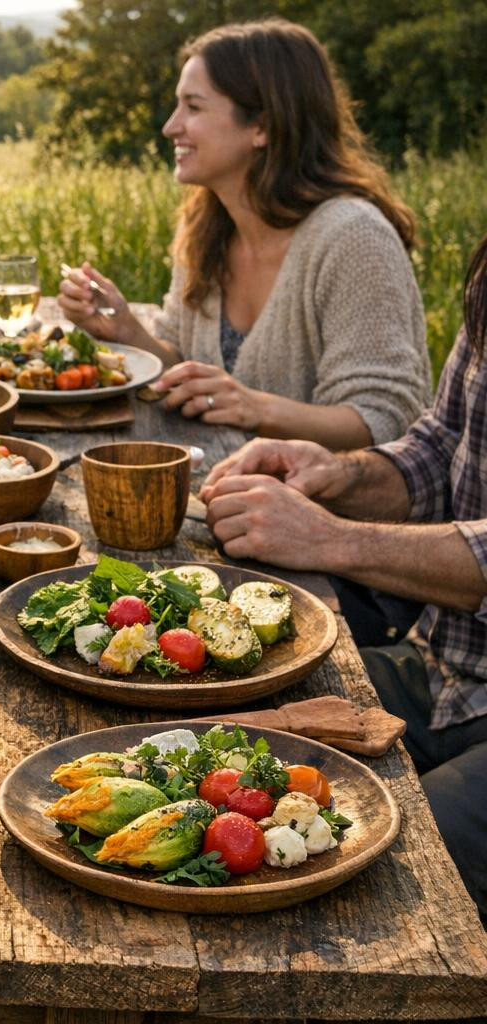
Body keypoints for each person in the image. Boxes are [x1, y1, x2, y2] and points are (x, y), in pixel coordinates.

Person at [199, 230, 487, 919]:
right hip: (444, 671)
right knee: (210, 751)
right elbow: (439, 445)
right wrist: (336, 473)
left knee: (378, 879)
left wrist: (331, 539)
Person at [59, 19, 431, 450]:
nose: (170, 127)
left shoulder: (353, 239)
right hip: (224, 492)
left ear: (263, 127)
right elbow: (183, 367)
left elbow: (385, 421)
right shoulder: (205, 225)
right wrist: (125, 331)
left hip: (330, 511)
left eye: (193, 108)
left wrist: (256, 408)